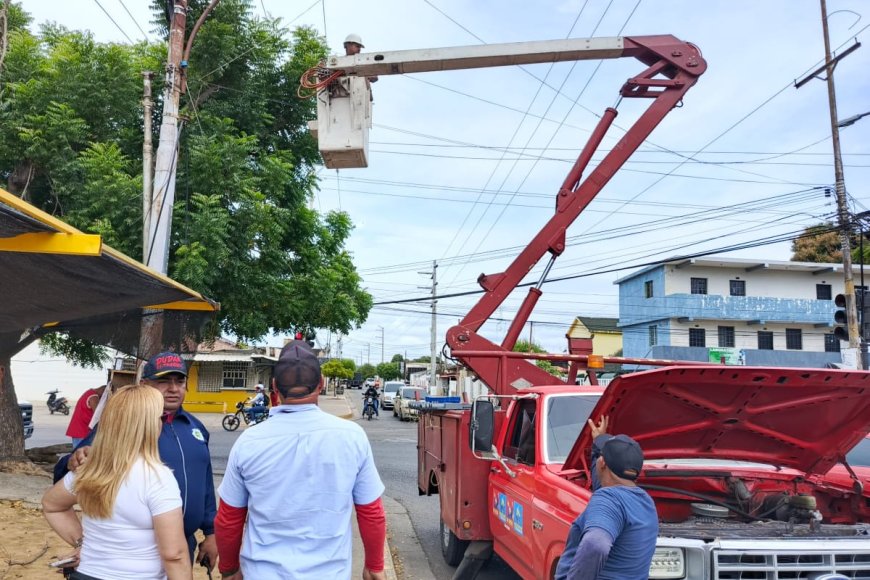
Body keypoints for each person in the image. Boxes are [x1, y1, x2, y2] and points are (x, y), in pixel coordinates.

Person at [215, 339, 387, 579]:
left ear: (274, 386)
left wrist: (229, 568)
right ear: (321, 383)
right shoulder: (351, 436)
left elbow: (229, 518)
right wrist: (374, 566)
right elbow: (371, 512)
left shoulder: (249, 442)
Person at [55, 352, 218, 573]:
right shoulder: (122, 426)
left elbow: (205, 483)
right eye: (164, 381)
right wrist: (73, 460)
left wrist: (211, 533)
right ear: (144, 385)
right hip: (133, 552)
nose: (173, 388)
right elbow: (69, 477)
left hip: (181, 546)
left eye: (180, 381)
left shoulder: (196, 428)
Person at [42, 384, 192, 580]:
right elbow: (174, 555)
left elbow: (51, 505)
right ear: (148, 425)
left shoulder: (90, 468)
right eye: (160, 418)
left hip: (87, 574)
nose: (161, 423)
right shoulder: (157, 478)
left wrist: (82, 543)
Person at [554, 416, 658, 580]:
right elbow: (605, 481)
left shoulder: (608, 500)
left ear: (602, 463)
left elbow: (596, 544)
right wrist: (599, 441)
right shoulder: (645, 501)